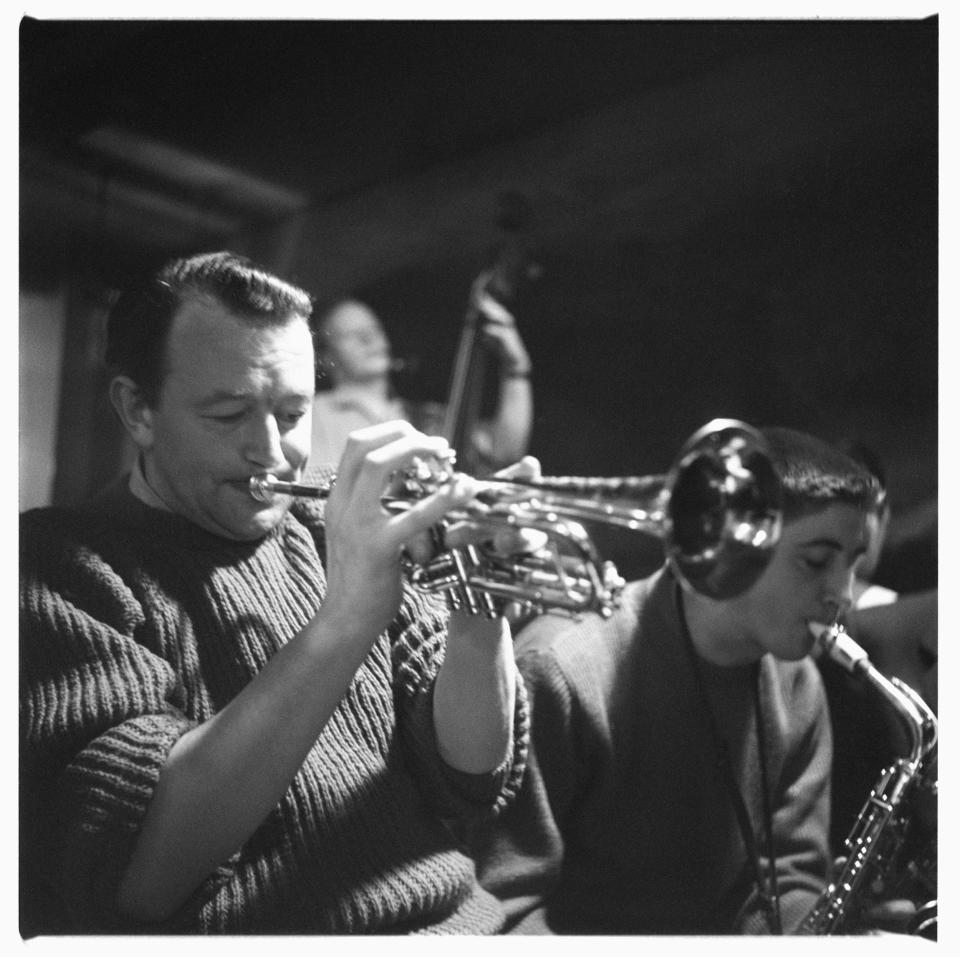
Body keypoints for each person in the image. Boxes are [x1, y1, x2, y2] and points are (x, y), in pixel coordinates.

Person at [19, 251, 531, 935]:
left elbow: (470, 783)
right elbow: (140, 876)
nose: (272, 452)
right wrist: (345, 620)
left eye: (292, 413)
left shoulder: (331, 529)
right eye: (230, 414)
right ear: (137, 409)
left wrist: (479, 615)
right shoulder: (55, 566)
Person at [471, 426, 889, 935]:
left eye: (853, 562)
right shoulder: (561, 667)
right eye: (817, 561)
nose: (842, 594)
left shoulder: (799, 684)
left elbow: (787, 884)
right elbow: (503, 907)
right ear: (734, 538)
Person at [310, 291, 533, 479]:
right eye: (353, 334)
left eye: (373, 329)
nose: (370, 339)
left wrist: (516, 368)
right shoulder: (313, 412)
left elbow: (502, 452)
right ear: (325, 354)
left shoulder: (424, 418)